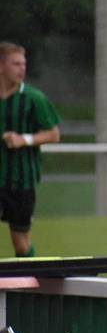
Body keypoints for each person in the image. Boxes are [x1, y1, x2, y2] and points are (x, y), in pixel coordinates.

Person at [0, 42, 61, 257]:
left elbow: (53, 134)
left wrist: (23, 139)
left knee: (21, 243)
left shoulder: (33, 98)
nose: (22, 68)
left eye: (24, 64)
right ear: (1, 66)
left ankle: (27, 289)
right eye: (16, 64)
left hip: (21, 181)